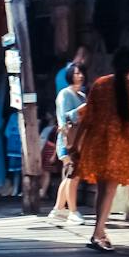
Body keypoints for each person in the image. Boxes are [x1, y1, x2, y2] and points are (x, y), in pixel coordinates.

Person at [73, 44, 129, 253]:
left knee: (103, 189)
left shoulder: (100, 84)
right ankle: (97, 233)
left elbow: (86, 118)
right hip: (119, 144)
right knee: (109, 191)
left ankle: (100, 231)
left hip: (97, 142)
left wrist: (75, 144)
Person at [46, 61, 87, 226]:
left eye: (81, 73)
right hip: (68, 140)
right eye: (77, 73)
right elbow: (64, 118)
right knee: (73, 175)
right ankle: (72, 211)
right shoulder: (64, 94)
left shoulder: (83, 95)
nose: (80, 76)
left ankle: (57, 209)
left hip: (80, 140)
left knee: (70, 175)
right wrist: (82, 109)